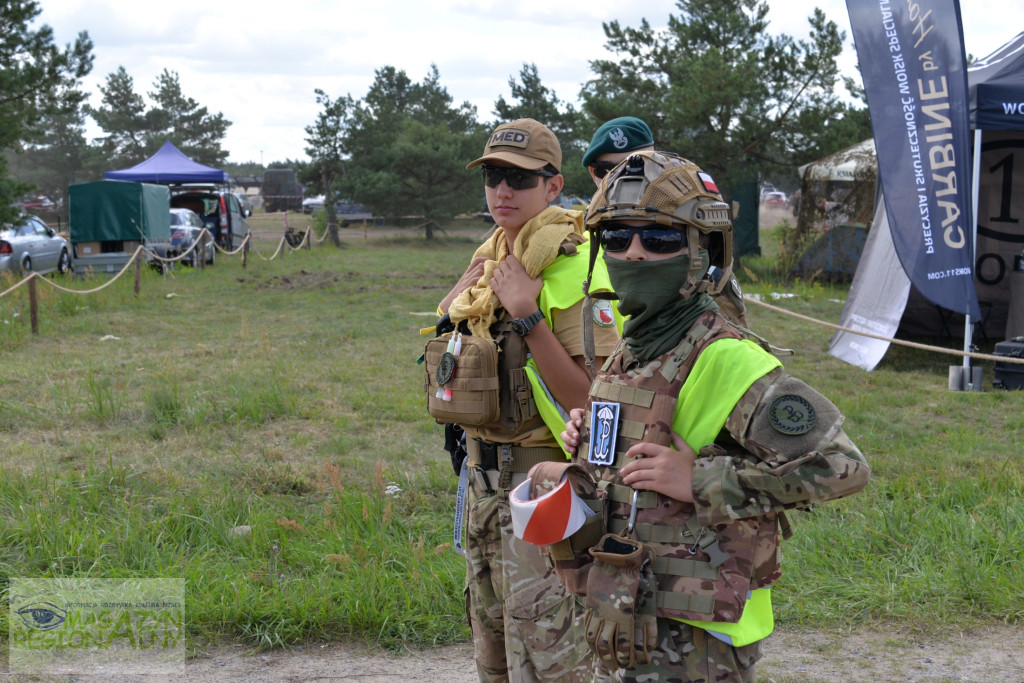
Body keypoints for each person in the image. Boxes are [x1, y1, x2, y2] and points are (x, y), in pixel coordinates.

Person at [558, 151, 870, 682]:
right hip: (629, 612)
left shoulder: (726, 356)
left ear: (702, 252)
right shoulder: (634, 348)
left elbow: (844, 468)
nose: (632, 254)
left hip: (698, 637)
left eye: (658, 240)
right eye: (616, 238)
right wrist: (590, 442)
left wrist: (698, 479)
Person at [434, 118, 621, 682]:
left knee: (547, 659)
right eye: (493, 176)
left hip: (540, 491)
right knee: (492, 651)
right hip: (482, 481)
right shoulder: (492, 258)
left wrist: (528, 316)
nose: (502, 190)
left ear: (554, 185)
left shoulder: (572, 266)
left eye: (519, 178)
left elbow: (596, 400)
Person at [582, 117, 749, 328]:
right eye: (608, 170)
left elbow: (732, 330)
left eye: (657, 239)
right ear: (593, 173)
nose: (622, 177)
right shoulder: (585, 238)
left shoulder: (691, 233)